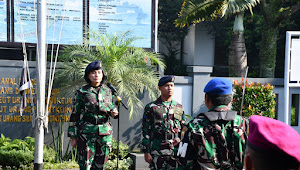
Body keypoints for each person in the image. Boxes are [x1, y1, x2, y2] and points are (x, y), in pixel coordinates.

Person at [178, 77, 248, 170]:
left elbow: (182, 160)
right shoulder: (244, 124)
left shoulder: (193, 126)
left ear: (206, 98)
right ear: (231, 99)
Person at [67, 61, 118, 170]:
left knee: (101, 165)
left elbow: (110, 107)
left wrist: (114, 112)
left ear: (103, 74)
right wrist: (73, 136)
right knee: (85, 165)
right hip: (87, 133)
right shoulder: (82, 92)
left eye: (99, 72)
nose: (96, 75)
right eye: (93, 73)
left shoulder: (108, 91)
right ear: (88, 76)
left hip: (105, 133)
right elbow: (75, 114)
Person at [141, 75, 186, 170]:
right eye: (166, 85)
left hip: (175, 150)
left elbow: (183, 131)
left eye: (172, 85)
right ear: (159, 88)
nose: (170, 88)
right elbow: (146, 130)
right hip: (158, 149)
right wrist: (146, 151)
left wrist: (183, 150)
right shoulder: (151, 107)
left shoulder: (179, 107)